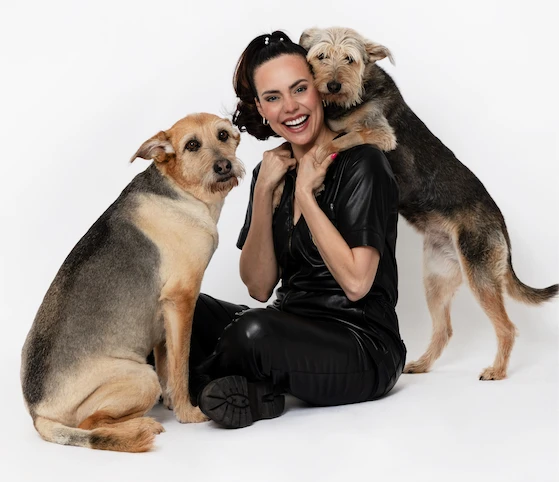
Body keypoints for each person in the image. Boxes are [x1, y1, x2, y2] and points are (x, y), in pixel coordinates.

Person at [188, 31, 406, 429]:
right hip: (288, 326)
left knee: (253, 332)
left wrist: (305, 194)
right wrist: (264, 190)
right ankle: (256, 391)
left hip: (361, 345)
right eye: (273, 97)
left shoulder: (364, 163)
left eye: (300, 89)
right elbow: (258, 287)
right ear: (261, 107)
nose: (290, 107)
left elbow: (357, 283)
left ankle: (191, 385)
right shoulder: (270, 169)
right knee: (185, 308)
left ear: (318, 88)